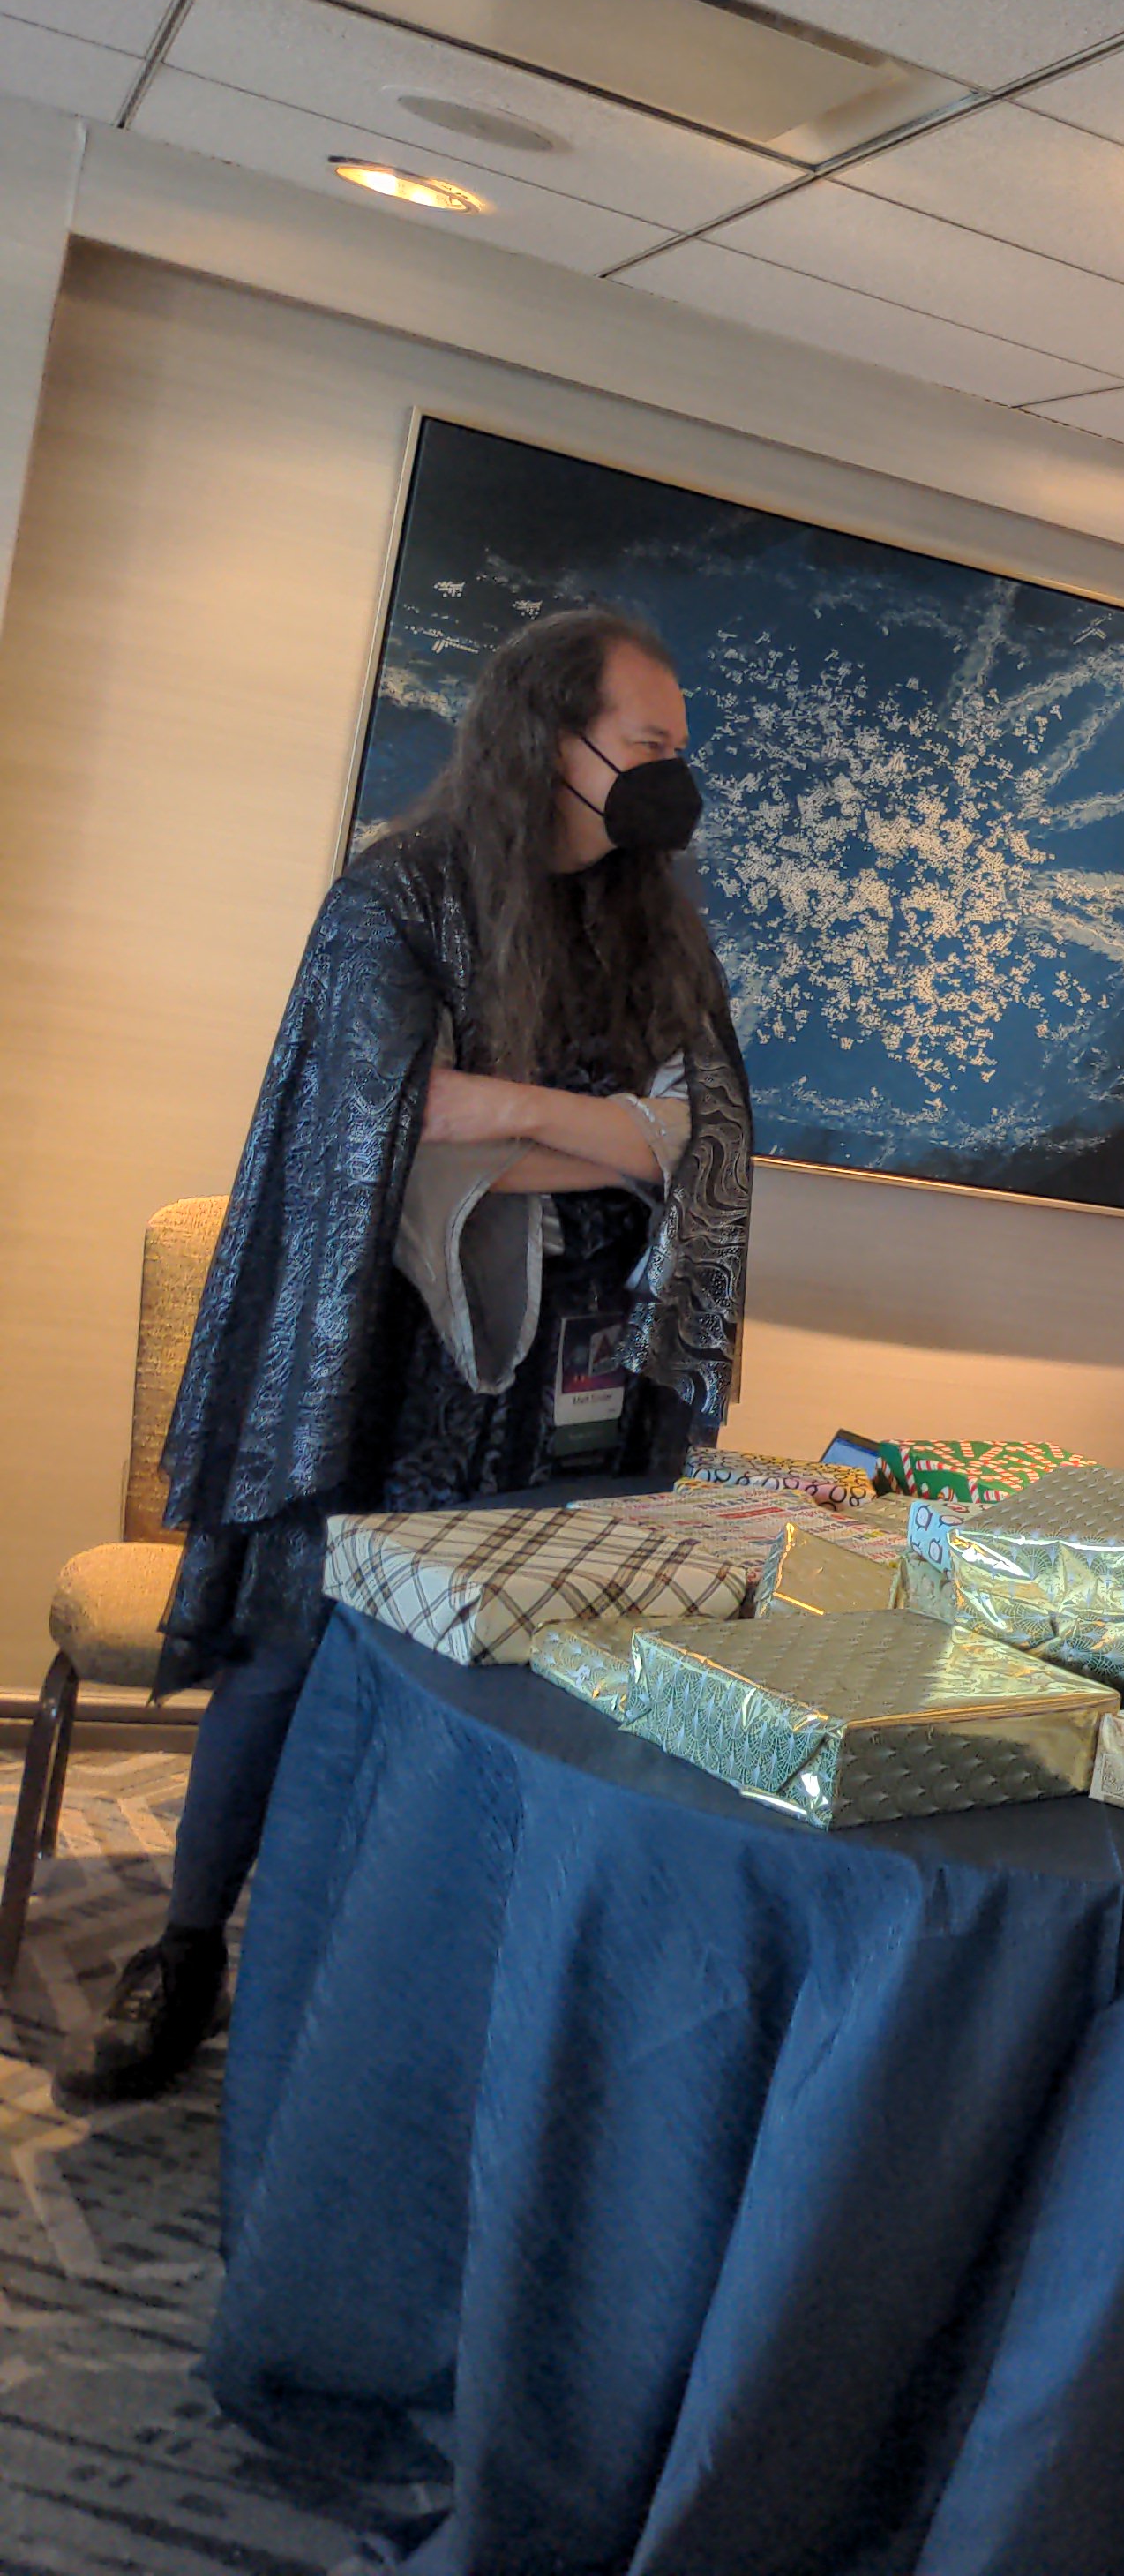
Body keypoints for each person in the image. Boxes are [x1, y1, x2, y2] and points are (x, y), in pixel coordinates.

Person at [62, 607, 753, 2105]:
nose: (665, 780)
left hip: (572, 1362)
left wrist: (527, 1119)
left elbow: (700, 1140)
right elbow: (378, 1119)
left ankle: (414, 1968)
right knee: (291, 1646)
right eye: (644, 747)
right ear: (549, 738)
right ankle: (184, 1949)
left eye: (673, 754)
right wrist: (608, 1131)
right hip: (375, 1354)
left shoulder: (654, 928)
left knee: (513, 1671)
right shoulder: (399, 893)